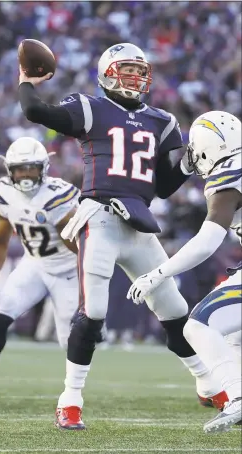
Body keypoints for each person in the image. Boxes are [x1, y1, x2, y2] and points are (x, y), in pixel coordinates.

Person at [18, 43, 227, 430]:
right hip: (99, 217)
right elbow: (35, 111)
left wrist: (188, 163)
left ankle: (208, 383)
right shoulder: (89, 107)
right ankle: (70, 399)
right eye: (125, 69)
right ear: (106, 73)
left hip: (140, 223)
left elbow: (164, 186)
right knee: (93, 313)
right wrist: (27, 82)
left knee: (176, 312)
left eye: (138, 70)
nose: (134, 77)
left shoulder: (163, 121)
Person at [128, 111, 242, 433]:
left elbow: (208, 241)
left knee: (198, 326)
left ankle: (237, 399)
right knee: (234, 336)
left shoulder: (228, 174)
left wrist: (158, 273)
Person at [0, 137, 79, 404]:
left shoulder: (58, 194)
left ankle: (73, 395)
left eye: (31, 168)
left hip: (69, 269)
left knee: (71, 342)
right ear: (9, 170)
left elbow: (81, 246)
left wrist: (89, 283)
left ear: (44, 168)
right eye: (20, 168)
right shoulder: (4, 191)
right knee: (0, 316)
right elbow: (0, 239)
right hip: (35, 263)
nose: (25, 174)